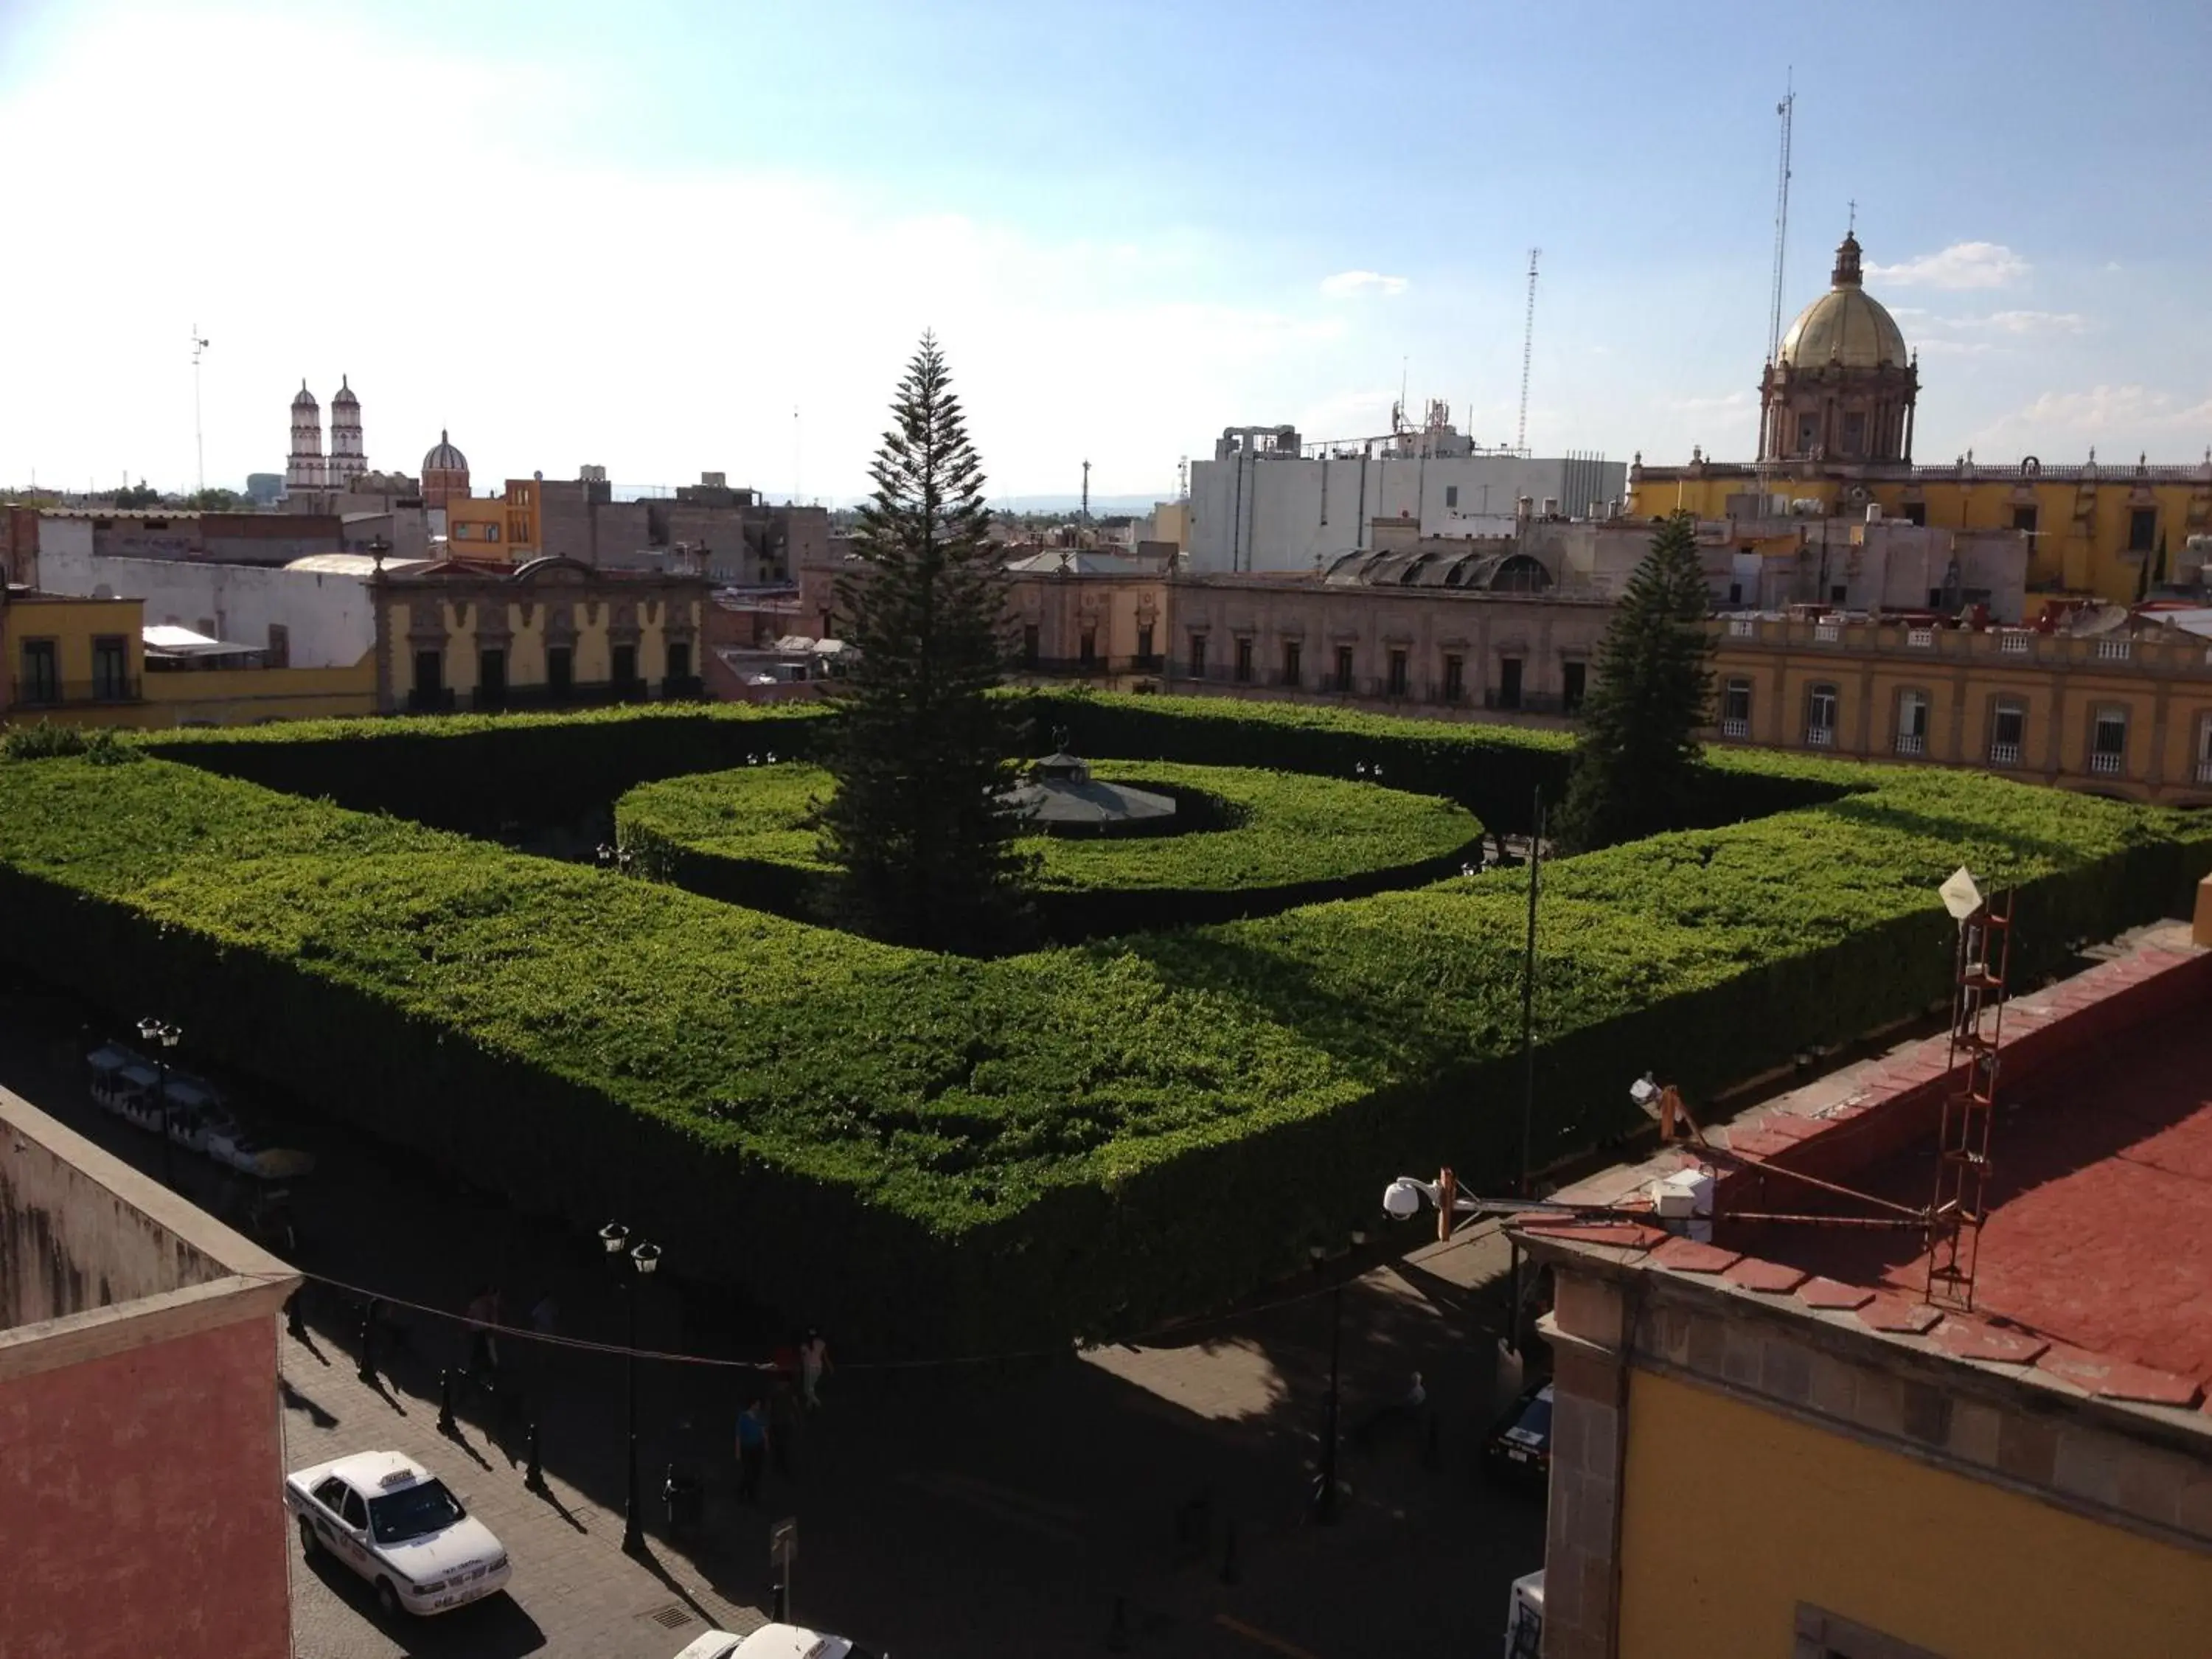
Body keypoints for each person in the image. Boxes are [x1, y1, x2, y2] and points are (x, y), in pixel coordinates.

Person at [735, 1398, 769, 1503]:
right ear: (751, 1405)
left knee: (756, 1472)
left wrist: (767, 1444)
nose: (758, 1407)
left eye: (759, 1405)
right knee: (748, 1472)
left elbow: (764, 1431)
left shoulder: (760, 1416)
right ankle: (747, 1493)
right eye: (756, 1405)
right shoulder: (743, 1418)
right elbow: (738, 1436)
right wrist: (737, 1451)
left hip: (758, 1448)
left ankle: (751, 1492)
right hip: (747, 1448)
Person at [800, 1329, 831, 1408]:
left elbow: (802, 1358)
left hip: (809, 1369)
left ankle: (817, 1405)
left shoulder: (805, 1344)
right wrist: (830, 1367)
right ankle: (811, 1406)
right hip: (816, 1369)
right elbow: (825, 1357)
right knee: (810, 1389)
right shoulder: (820, 1343)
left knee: (809, 1389)